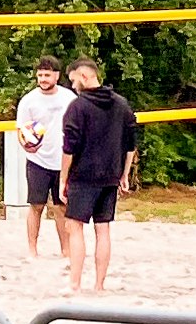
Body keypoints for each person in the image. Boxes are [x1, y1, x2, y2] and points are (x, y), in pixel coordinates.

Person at [57, 58, 137, 294]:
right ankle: (99, 285)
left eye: (74, 81)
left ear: (84, 76)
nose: (73, 87)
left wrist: (63, 178)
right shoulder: (121, 104)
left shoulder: (78, 107)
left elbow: (69, 148)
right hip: (110, 176)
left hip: (84, 176)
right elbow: (131, 144)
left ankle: (75, 283)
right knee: (103, 230)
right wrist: (124, 174)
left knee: (75, 227)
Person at [14, 55, 76, 259]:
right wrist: (26, 145)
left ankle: (66, 250)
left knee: (61, 207)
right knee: (36, 206)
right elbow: (21, 130)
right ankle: (32, 250)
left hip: (64, 161)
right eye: (40, 75)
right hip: (38, 161)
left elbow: (79, 126)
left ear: (56, 76)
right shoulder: (28, 101)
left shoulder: (69, 98)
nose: (43, 79)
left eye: (47, 75)